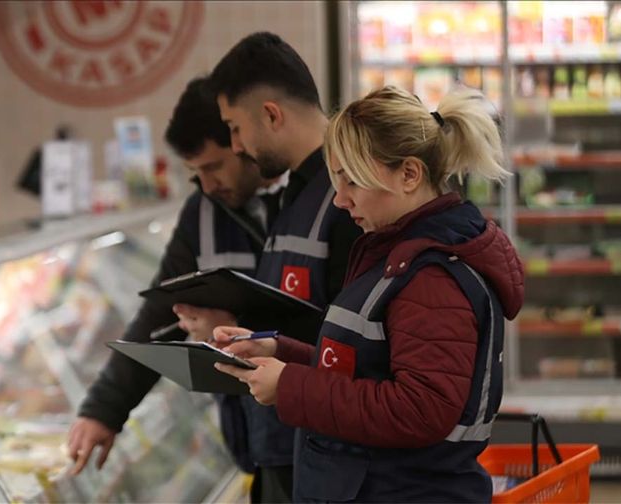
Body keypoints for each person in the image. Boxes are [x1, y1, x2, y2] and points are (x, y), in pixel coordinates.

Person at [215, 85, 525, 502]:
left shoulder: (433, 278)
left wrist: (290, 385)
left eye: (352, 181)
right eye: (336, 181)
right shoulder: (394, 253)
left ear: (409, 175)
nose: (340, 200)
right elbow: (366, 368)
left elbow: (420, 409)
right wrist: (279, 351)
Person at [66, 76, 283, 476]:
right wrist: (104, 409)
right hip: (253, 439)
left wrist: (233, 329)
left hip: (312, 434)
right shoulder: (203, 212)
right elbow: (161, 311)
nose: (207, 185)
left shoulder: (310, 201)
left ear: (244, 143)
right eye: (196, 172)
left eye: (214, 167)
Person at [186, 32, 361, 503]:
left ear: (270, 114)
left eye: (235, 128)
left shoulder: (346, 198)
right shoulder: (296, 194)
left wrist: (248, 332)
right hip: (289, 444)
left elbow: (354, 343)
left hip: (321, 454)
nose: (237, 146)